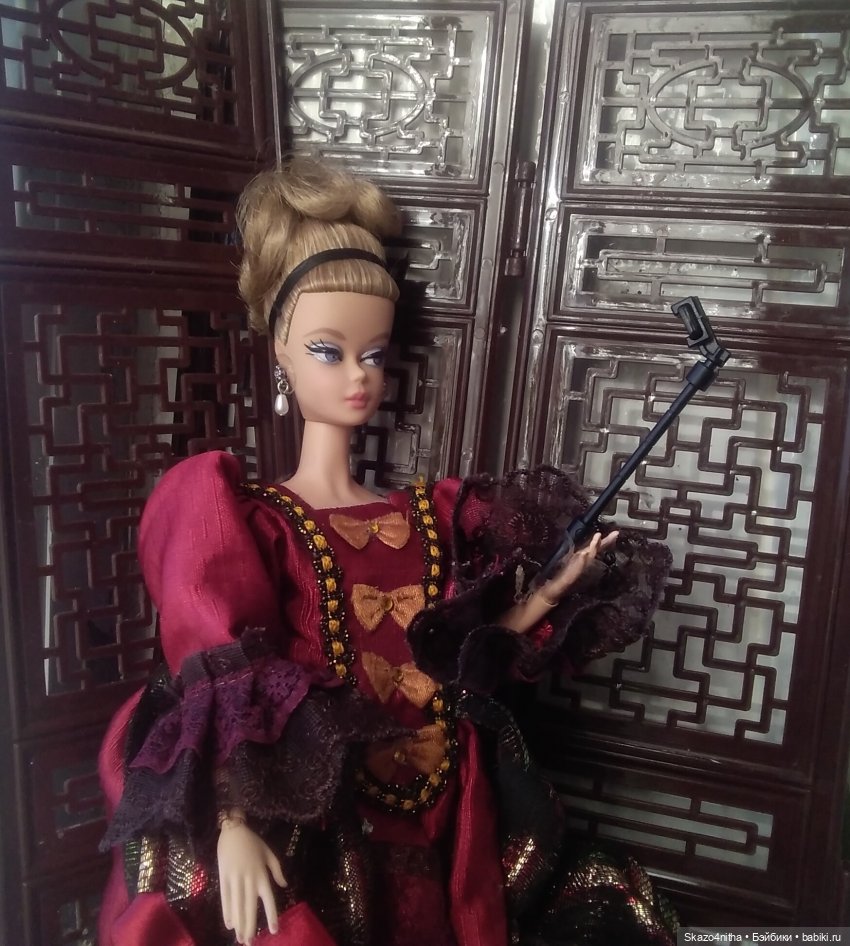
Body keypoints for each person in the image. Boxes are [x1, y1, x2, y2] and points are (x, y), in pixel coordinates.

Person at [98, 157, 677, 946]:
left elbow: (459, 664)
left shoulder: (429, 513)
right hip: (320, 819)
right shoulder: (247, 518)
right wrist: (231, 822)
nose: (358, 377)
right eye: (328, 350)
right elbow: (220, 680)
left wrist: (545, 596)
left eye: (372, 354)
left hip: (446, 810)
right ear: (280, 351)